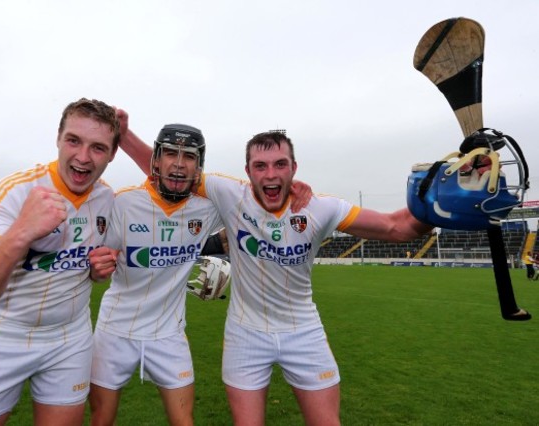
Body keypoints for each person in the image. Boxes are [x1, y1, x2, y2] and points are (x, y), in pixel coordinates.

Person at [117, 122, 433, 425]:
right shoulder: (230, 195)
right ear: (248, 172)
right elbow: (174, 174)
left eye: (280, 164)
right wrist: (124, 134)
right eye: (261, 165)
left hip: (303, 331)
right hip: (246, 333)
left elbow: (398, 227)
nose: (271, 174)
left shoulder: (320, 208)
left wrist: (435, 197)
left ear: (294, 168)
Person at [0, 98, 121, 426]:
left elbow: (90, 268)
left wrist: (97, 271)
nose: (82, 157)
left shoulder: (107, 198)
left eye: (97, 147)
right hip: (3, 334)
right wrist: (21, 232)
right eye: (73, 141)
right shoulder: (15, 190)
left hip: (70, 338)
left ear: (112, 154)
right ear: (58, 138)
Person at [87, 123, 225, 426]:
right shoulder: (123, 202)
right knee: (101, 419)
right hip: (115, 331)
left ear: (199, 165)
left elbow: (252, 208)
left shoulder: (209, 207)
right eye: (171, 153)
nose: (178, 163)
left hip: (169, 334)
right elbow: (99, 271)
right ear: (156, 160)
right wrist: (98, 271)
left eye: (188, 156)